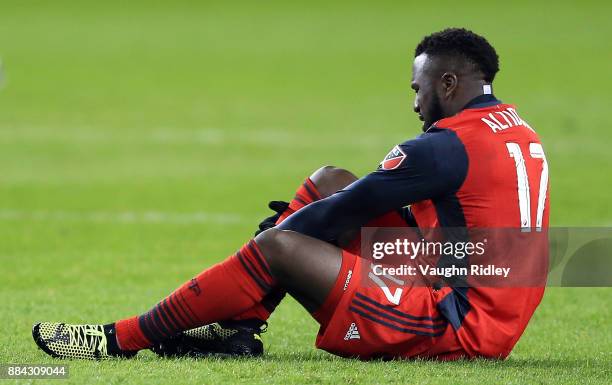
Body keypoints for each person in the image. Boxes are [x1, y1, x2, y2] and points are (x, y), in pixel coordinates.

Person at [32, 27, 549, 361]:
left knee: (279, 246)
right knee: (329, 180)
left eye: (419, 88)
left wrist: (276, 238)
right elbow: (347, 199)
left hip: (461, 325)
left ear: (451, 83)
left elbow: (343, 214)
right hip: (484, 288)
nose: (414, 101)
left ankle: (119, 339)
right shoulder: (515, 128)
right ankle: (239, 330)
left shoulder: (444, 146)